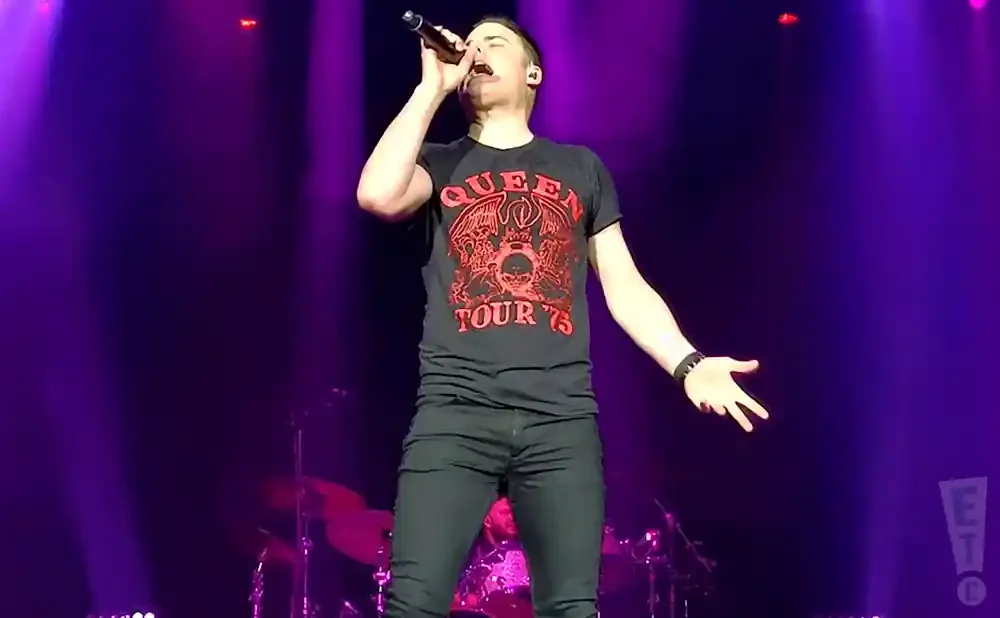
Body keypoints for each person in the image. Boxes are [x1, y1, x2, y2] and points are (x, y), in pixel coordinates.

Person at [355, 14, 770, 618]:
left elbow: (624, 285)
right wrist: (430, 90)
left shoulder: (579, 168)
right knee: (413, 605)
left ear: (533, 72)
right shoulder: (441, 163)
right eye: (470, 46)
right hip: (455, 414)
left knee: (571, 608)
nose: (476, 51)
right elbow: (377, 195)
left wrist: (688, 363)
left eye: (493, 42)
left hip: (561, 422)